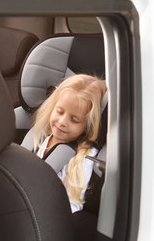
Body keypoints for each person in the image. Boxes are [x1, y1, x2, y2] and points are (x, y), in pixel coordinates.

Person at [32, 74, 107, 213]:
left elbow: (73, 207)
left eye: (75, 120)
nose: (62, 122)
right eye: (59, 111)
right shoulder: (43, 136)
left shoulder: (83, 159)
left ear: (88, 125)